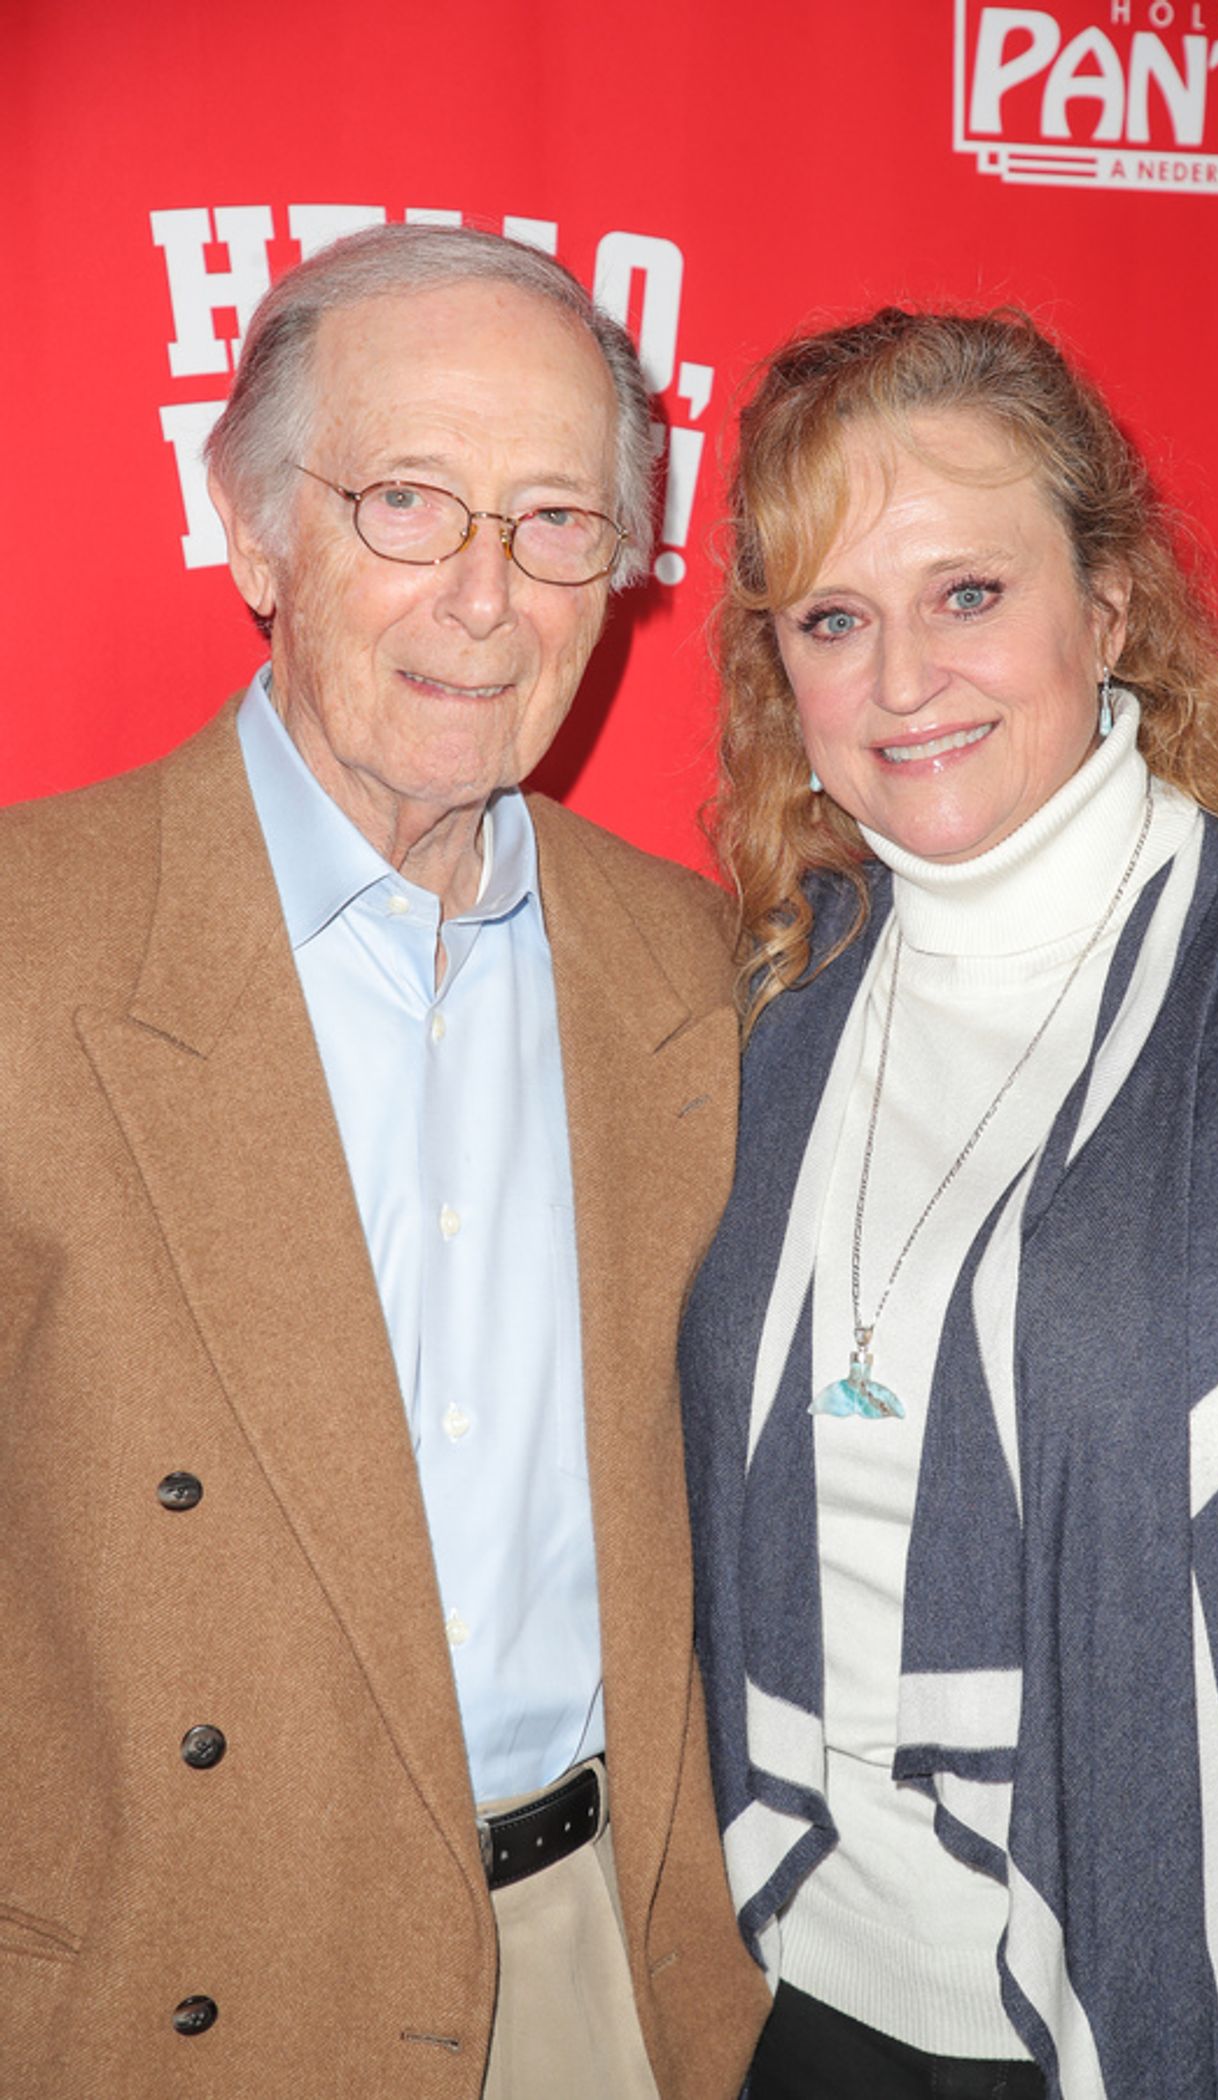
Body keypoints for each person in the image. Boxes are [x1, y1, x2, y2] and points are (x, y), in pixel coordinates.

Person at [0, 224, 768, 2100]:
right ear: (256, 533)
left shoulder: (698, 970)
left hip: (611, 1973)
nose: (485, 598)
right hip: (177, 1983)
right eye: (408, 503)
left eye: (556, 521)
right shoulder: (31, 945)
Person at [680, 306, 1218, 2099]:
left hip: (1158, 2004)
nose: (904, 681)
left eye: (969, 595)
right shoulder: (771, 998)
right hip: (789, 1991)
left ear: (1110, 606)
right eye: (835, 620)